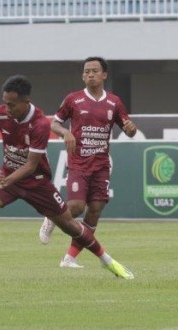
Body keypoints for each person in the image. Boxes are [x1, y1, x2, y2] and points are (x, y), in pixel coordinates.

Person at [0, 75, 134, 280]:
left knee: (71, 225)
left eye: (12, 105)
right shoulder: (0, 113)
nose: (7, 109)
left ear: (26, 102)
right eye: (5, 103)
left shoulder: (40, 124)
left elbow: (31, 165)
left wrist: (10, 179)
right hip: (8, 178)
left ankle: (108, 261)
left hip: (37, 184)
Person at [38, 56, 137, 268]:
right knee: (75, 207)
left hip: (101, 165)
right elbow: (54, 123)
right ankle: (51, 218)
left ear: (104, 75)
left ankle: (69, 258)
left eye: (94, 71)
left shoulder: (114, 102)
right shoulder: (73, 99)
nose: (89, 74)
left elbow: (128, 128)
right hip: (79, 163)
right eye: (86, 71)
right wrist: (65, 132)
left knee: (94, 211)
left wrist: (131, 129)